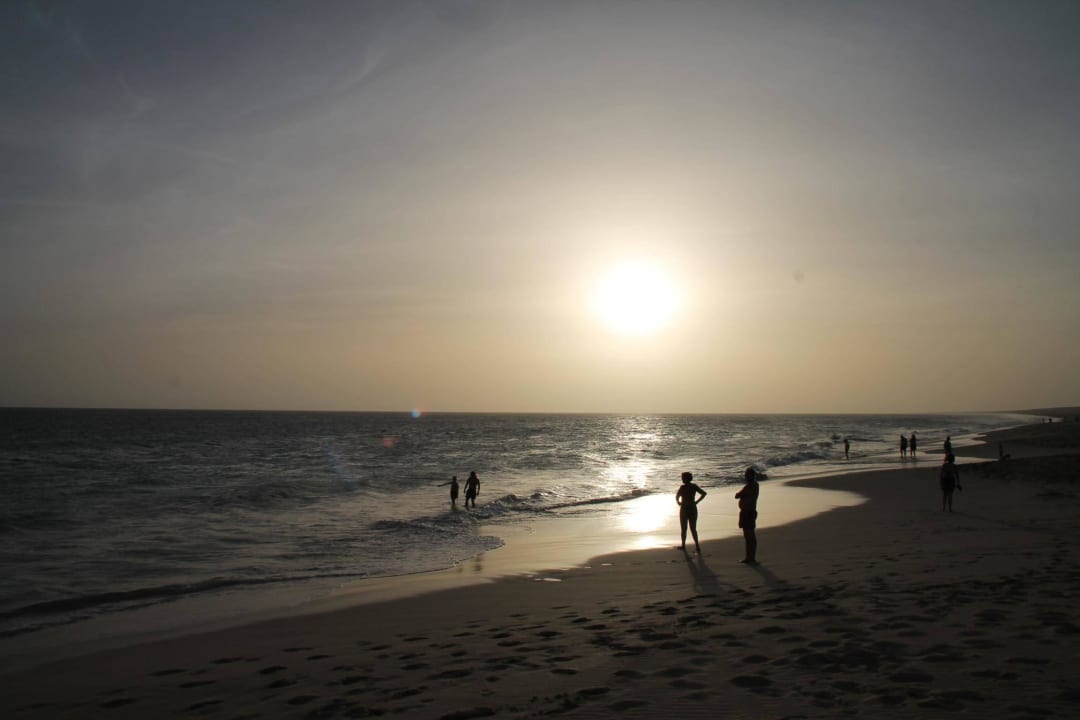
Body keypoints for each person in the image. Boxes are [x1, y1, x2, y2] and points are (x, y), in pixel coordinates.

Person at [675, 471, 707, 553]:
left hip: (684, 508)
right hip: (693, 507)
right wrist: (696, 502)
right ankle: (697, 546)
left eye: (683, 478)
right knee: (693, 529)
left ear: (686, 478)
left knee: (684, 528)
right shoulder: (694, 486)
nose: (682, 479)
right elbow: (703, 493)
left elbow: (677, 497)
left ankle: (683, 545)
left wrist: (679, 502)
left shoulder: (682, 487)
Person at [735, 467, 760, 564]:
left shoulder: (750, 486)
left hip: (747, 512)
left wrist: (741, 494)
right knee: (750, 535)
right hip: (751, 511)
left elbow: (737, 495)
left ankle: (750, 557)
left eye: (747, 475)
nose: (745, 477)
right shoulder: (755, 485)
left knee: (748, 535)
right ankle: (751, 556)